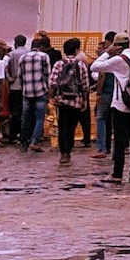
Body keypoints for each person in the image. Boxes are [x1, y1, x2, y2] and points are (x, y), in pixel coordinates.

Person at [90, 38, 130, 183]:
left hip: (121, 103)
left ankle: (117, 174)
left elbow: (94, 67)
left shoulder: (119, 60)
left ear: (117, 46)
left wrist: (107, 53)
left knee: (120, 139)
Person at [49, 38, 90, 166]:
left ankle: (64, 153)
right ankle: (68, 150)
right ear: (77, 50)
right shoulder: (81, 64)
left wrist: (51, 98)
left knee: (63, 126)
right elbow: (85, 85)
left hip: (62, 100)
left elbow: (52, 83)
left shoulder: (58, 64)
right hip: (76, 100)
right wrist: (84, 100)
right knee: (72, 127)